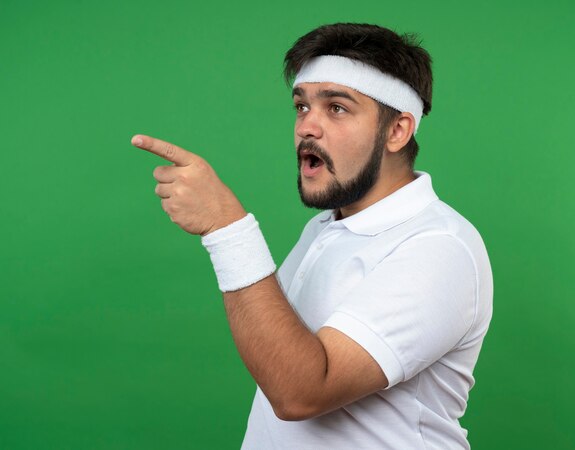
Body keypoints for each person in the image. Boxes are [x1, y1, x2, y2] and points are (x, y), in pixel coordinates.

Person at [132, 23, 493, 450]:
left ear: (397, 131)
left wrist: (226, 228)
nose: (307, 127)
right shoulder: (325, 226)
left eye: (336, 108)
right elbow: (278, 354)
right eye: (302, 106)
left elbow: (302, 391)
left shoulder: (438, 247)